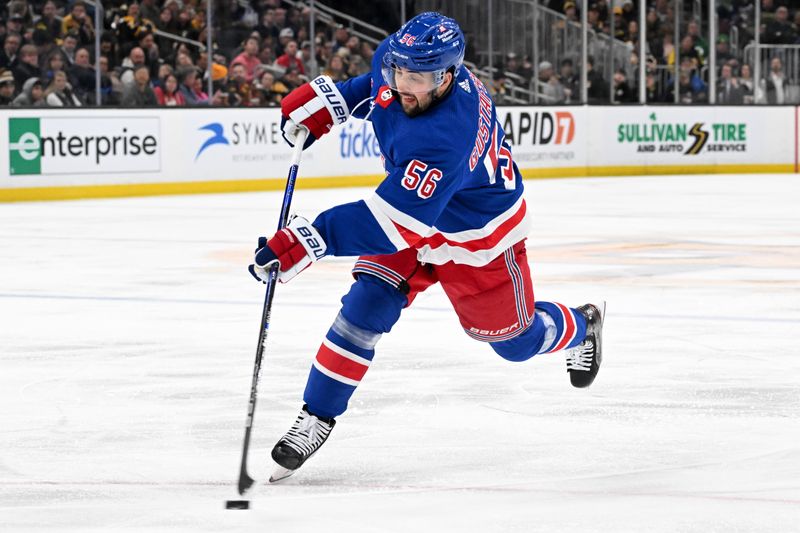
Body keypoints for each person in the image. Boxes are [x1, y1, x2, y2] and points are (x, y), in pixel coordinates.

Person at [248, 12, 605, 482]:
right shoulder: (398, 63)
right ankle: (317, 415)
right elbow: (370, 89)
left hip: (477, 237)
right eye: (399, 72)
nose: (402, 85)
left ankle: (581, 325)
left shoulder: (447, 135)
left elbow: (390, 224)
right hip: (411, 207)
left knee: (514, 345)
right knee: (364, 308)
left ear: (447, 75)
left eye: (417, 78)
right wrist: (328, 105)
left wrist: (307, 240)